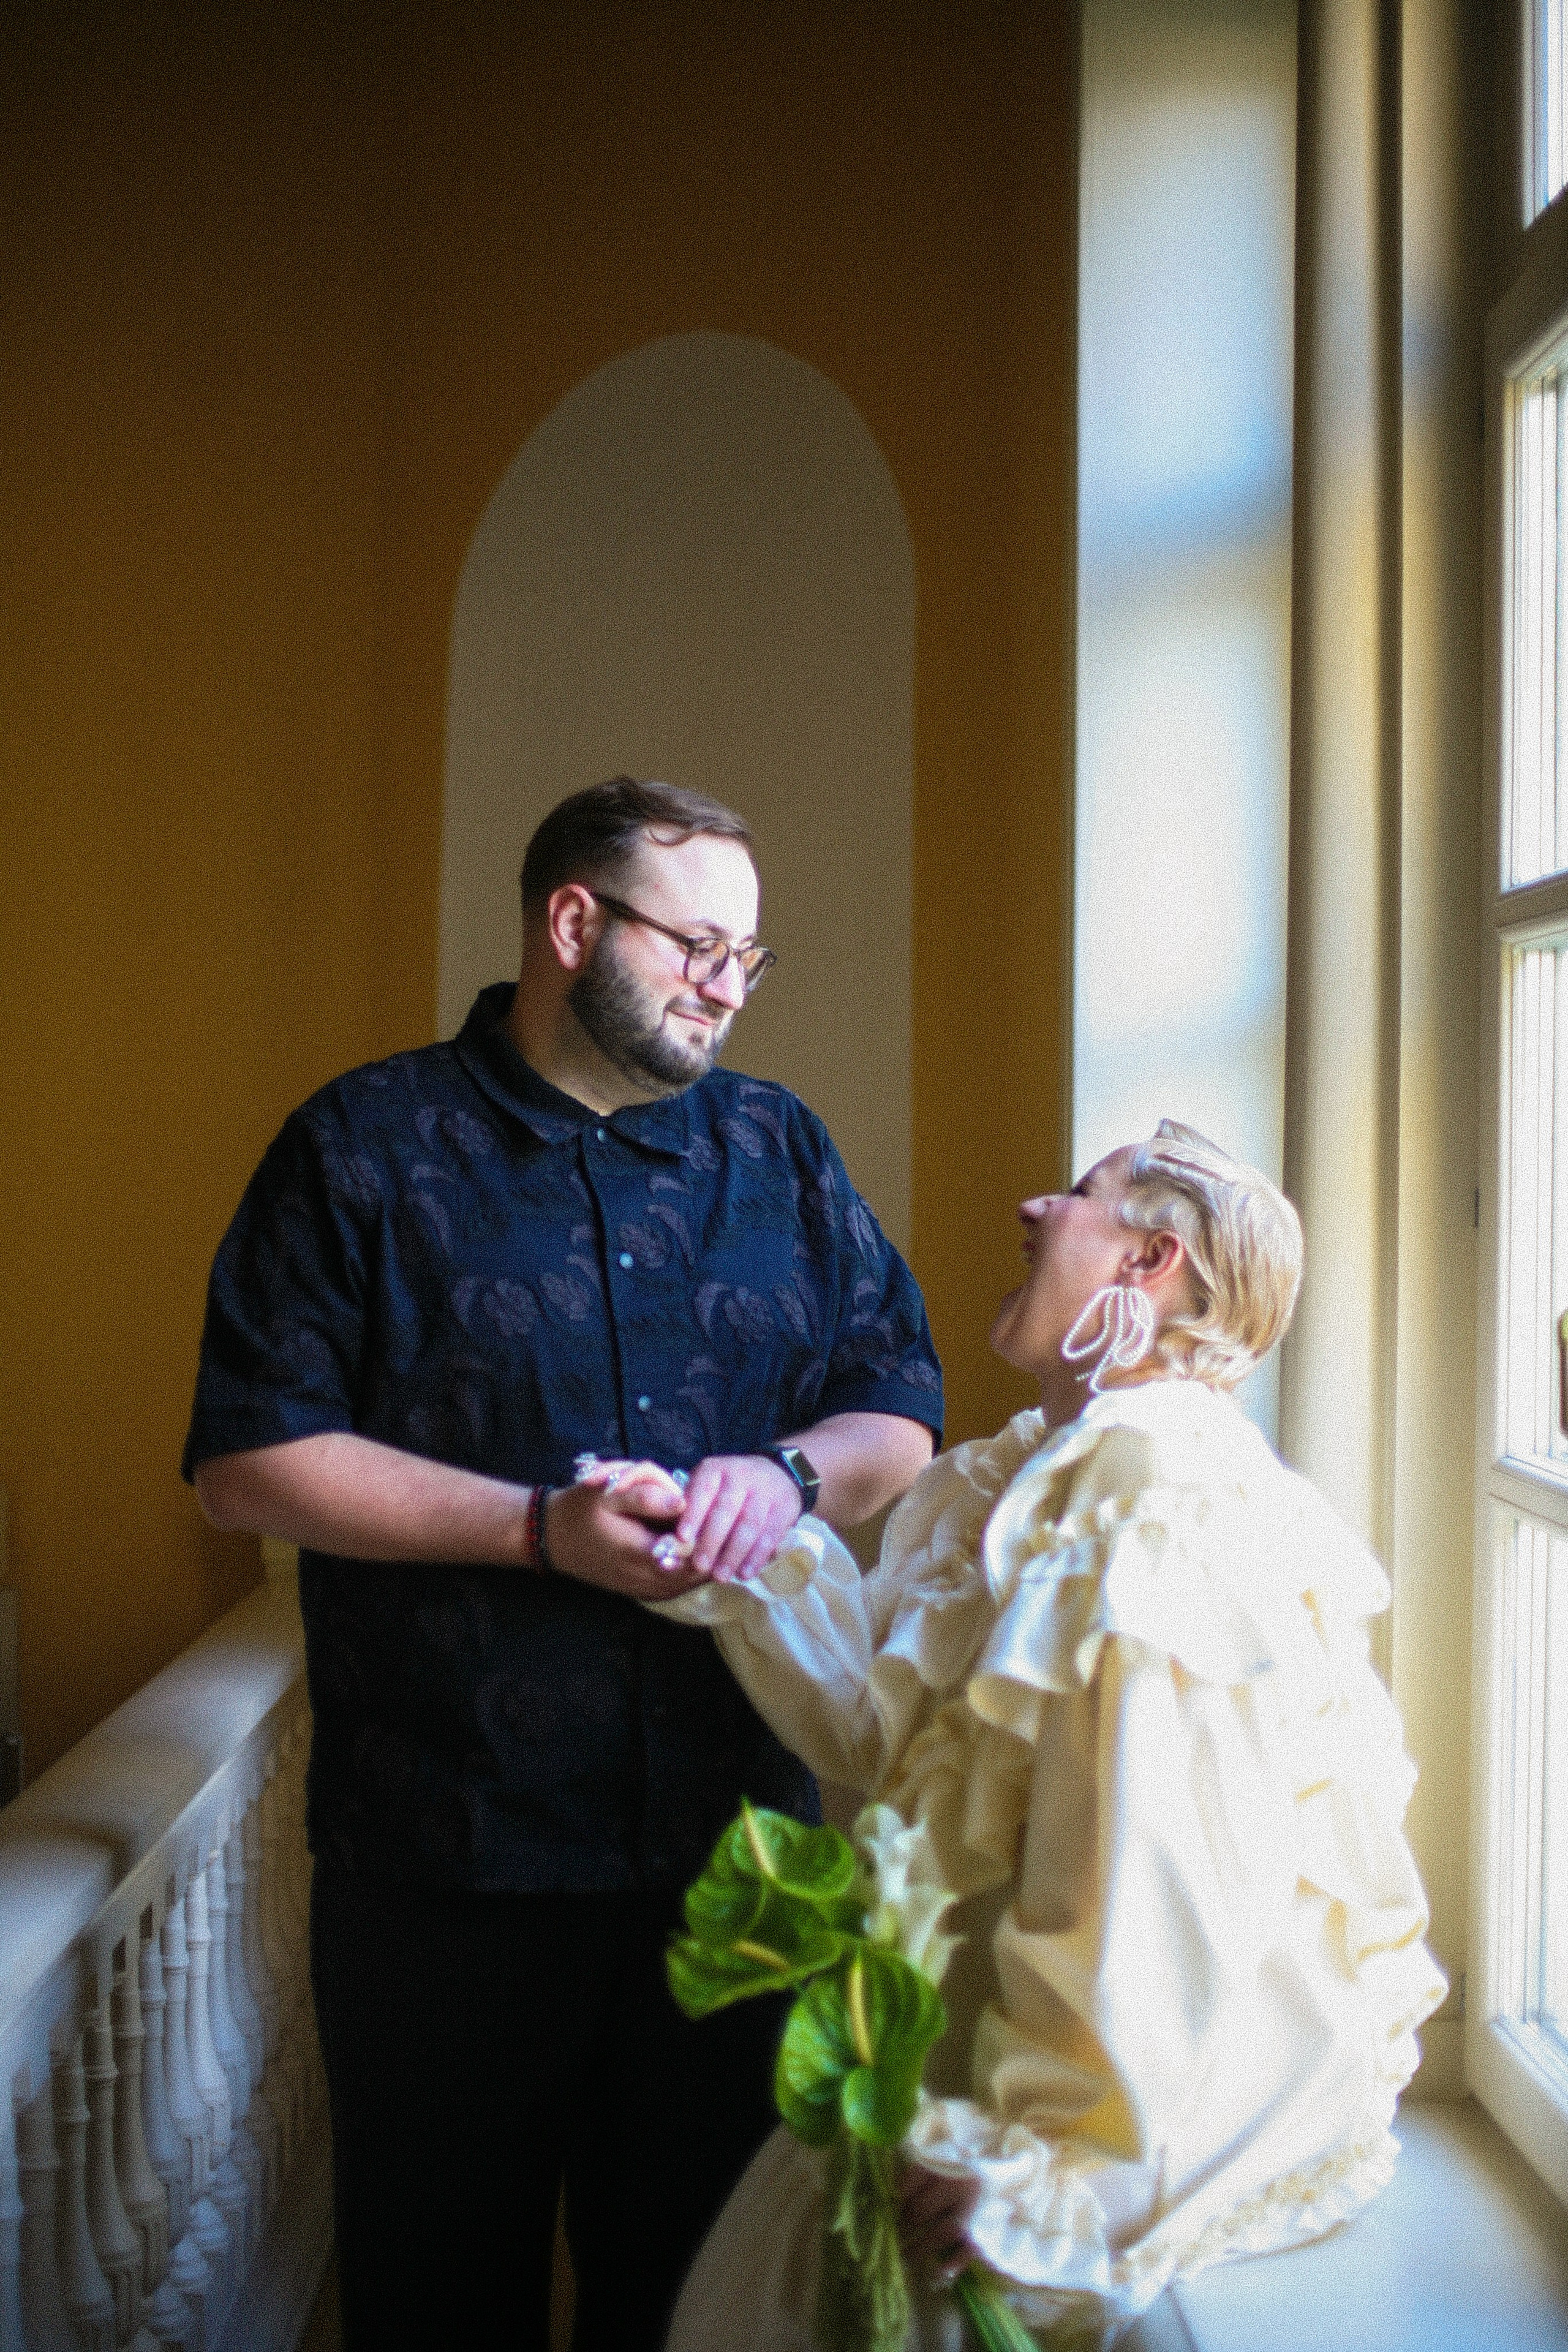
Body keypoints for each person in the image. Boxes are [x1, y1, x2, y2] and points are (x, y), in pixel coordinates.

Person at [180, 777, 943, 2352]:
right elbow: (247, 1458)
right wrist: (537, 1531)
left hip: (736, 1855)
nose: (726, 987)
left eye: (748, 957)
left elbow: (901, 1411)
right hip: (443, 1861)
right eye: (696, 946)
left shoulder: (780, 1148)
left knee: (702, 2312)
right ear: (573, 922)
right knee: (436, 2303)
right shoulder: (360, 1144)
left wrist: (785, 1476)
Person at [628, 1120, 1445, 2350]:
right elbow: (891, 1744)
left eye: (1078, 1192)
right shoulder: (1029, 1477)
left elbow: (1155, 1872)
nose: (1033, 1207)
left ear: (1149, 1262)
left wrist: (1053, 2163)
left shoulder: (1158, 1500)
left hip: (1076, 2101)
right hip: (944, 2051)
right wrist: (724, 1544)